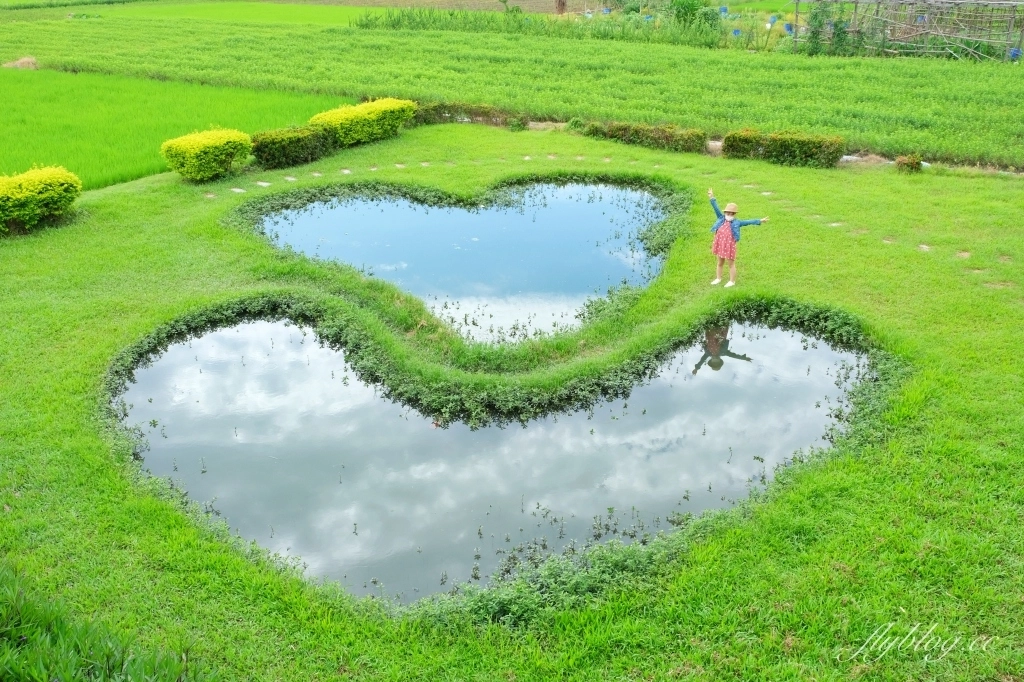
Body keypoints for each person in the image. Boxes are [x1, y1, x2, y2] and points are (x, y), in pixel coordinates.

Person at [707, 188, 769, 287]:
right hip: (720, 244)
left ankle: (732, 281)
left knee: (731, 264)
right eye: (727, 213)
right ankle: (718, 278)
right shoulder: (721, 218)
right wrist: (711, 197)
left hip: (729, 246)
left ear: (735, 214)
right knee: (720, 263)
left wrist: (760, 220)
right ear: (725, 212)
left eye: (732, 214)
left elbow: (749, 221)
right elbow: (715, 207)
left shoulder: (737, 222)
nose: (729, 215)